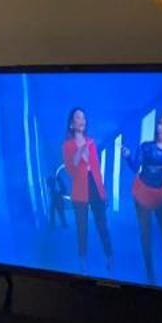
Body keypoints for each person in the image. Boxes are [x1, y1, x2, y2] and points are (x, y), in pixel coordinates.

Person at [125, 110, 162, 287]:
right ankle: (150, 275)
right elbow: (136, 168)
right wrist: (128, 156)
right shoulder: (146, 147)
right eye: (161, 123)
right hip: (142, 193)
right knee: (145, 235)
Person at [62, 107, 113, 271]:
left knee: (102, 224)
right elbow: (71, 170)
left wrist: (103, 192)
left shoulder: (91, 142)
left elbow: (96, 169)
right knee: (82, 227)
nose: (82, 120)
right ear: (72, 124)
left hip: (94, 185)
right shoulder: (67, 145)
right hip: (79, 189)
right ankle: (82, 259)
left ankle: (109, 256)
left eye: (83, 117)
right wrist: (79, 152)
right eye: (78, 117)